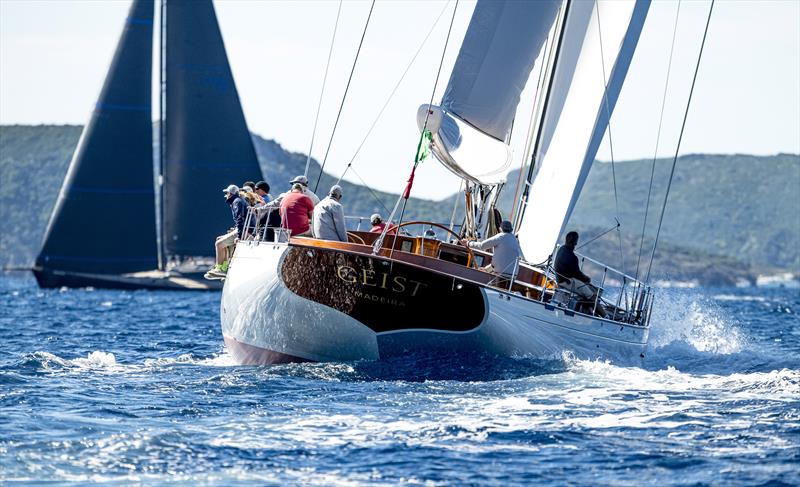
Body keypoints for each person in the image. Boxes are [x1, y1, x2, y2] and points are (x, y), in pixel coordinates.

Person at [554, 231, 607, 318]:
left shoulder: (561, 249)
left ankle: (589, 311)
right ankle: (605, 316)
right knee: (592, 295)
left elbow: (575, 273)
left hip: (560, 279)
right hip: (567, 282)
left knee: (588, 290)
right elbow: (577, 274)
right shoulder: (572, 257)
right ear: (575, 242)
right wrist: (587, 279)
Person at [205, 184, 248, 279]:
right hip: (242, 228)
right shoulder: (238, 200)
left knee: (219, 244)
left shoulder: (237, 202)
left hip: (245, 230)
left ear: (230, 193)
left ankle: (220, 268)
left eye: (227, 193)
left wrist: (240, 236)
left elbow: (240, 220)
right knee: (219, 239)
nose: (226, 195)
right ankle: (224, 266)